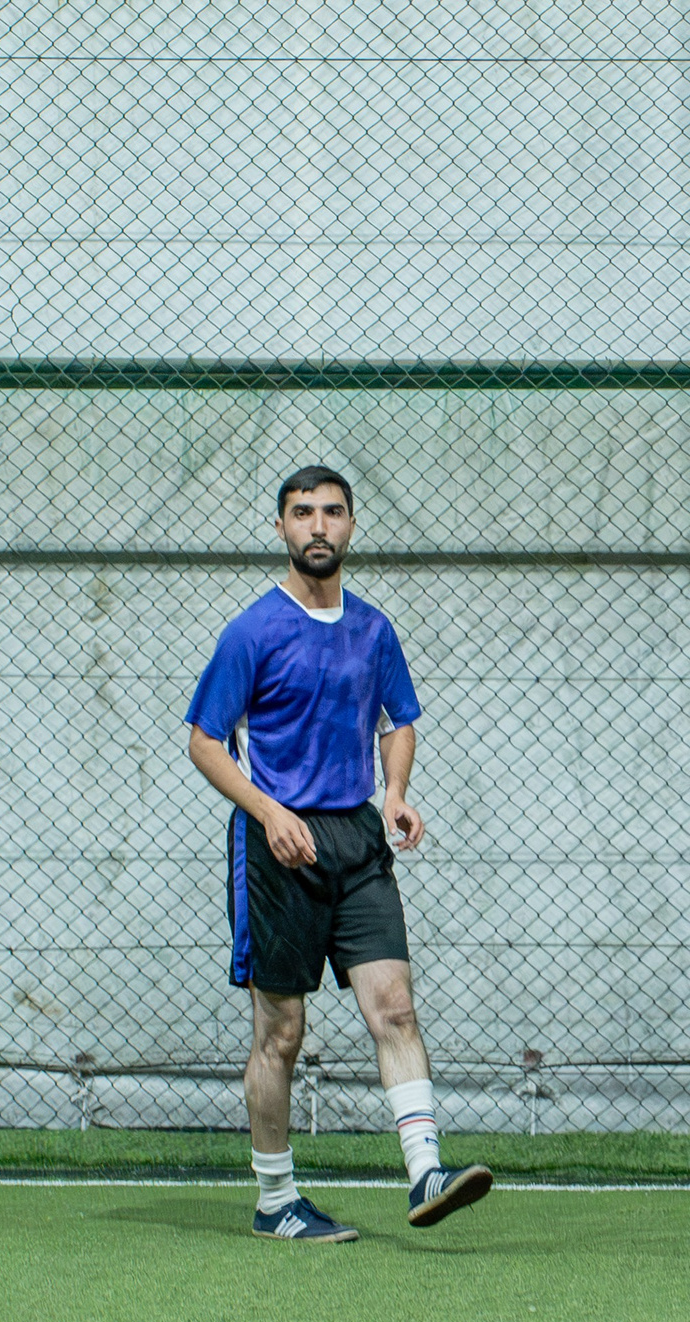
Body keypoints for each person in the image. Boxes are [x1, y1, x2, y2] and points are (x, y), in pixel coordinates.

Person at [184, 466, 492, 1240]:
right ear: (281, 528)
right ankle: (275, 1200)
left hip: (357, 841)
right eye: (302, 513)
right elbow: (204, 741)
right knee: (281, 1033)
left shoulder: (374, 630)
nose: (317, 525)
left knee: (395, 1007)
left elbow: (399, 719)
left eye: (331, 512)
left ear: (351, 524)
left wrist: (396, 792)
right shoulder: (252, 631)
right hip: (277, 847)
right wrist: (267, 809)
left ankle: (426, 1170)